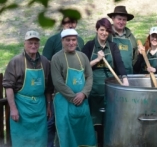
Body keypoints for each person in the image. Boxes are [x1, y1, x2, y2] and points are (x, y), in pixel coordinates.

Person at [82, 18, 129, 147]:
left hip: (109, 92)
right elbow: (82, 67)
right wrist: (97, 60)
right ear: (97, 30)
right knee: (93, 123)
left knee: (107, 122)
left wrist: (125, 80)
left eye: (107, 30)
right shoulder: (89, 46)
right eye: (102, 30)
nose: (104, 33)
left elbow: (119, 64)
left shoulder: (113, 47)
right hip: (92, 91)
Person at [3, 30, 52, 147]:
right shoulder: (16, 61)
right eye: (30, 43)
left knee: (40, 141)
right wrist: (13, 109)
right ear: (24, 44)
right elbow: (8, 87)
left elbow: (49, 88)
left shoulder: (45, 62)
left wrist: (49, 106)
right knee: (22, 142)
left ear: (39, 44)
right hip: (22, 109)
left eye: (36, 43)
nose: (33, 46)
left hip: (40, 109)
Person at [43, 16, 84, 147]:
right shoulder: (52, 40)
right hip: (56, 91)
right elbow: (46, 64)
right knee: (52, 123)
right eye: (67, 22)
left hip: (76, 91)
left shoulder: (80, 41)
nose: (70, 24)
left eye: (73, 22)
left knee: (72, 122)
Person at [51, 29, 96, 147]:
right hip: (64, 102)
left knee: (84, 133)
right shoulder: (57, 58)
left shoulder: (83, 57)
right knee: (65, 134)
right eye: (68, 40)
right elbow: (57, 82)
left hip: (82, 102)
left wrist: (84, 94)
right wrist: (73, 97)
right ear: (62, 41)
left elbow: (89, 76)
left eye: (73, 40)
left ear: (77, 41)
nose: (71, 43)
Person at [107, 5, 137, 74]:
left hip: (128, 75)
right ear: (113, 18)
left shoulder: (130, 37)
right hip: (112, 76)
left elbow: (135, 57)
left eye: (124, 20)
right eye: (119, 19)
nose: (121, 22)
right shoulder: (107, 35)